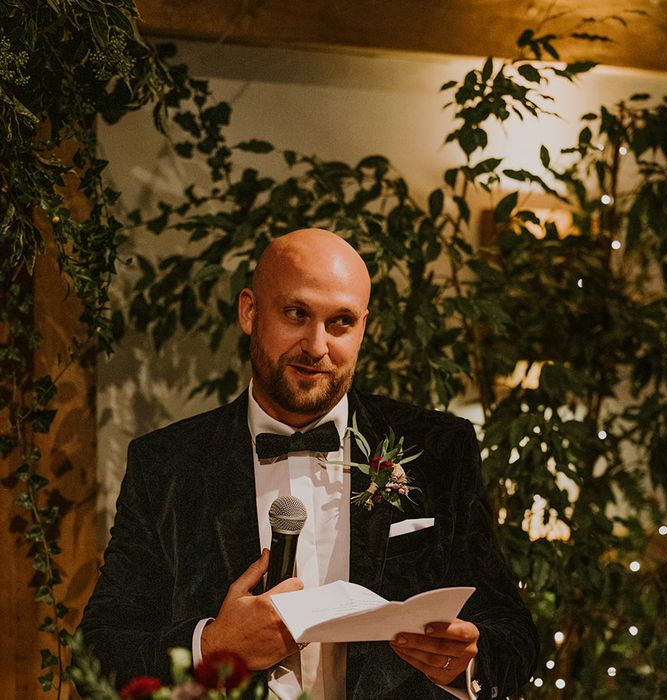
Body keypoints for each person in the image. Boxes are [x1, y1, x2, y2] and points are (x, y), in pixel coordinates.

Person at [80, 228, 539, 699]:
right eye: (297, 314)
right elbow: (99, 653)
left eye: (340, 321)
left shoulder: (440, 449)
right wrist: (212, 647)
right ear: (249, 311)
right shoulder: (167, 464)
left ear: (363, 326)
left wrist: (464, 662)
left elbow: (513, 634)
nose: (316, 346)